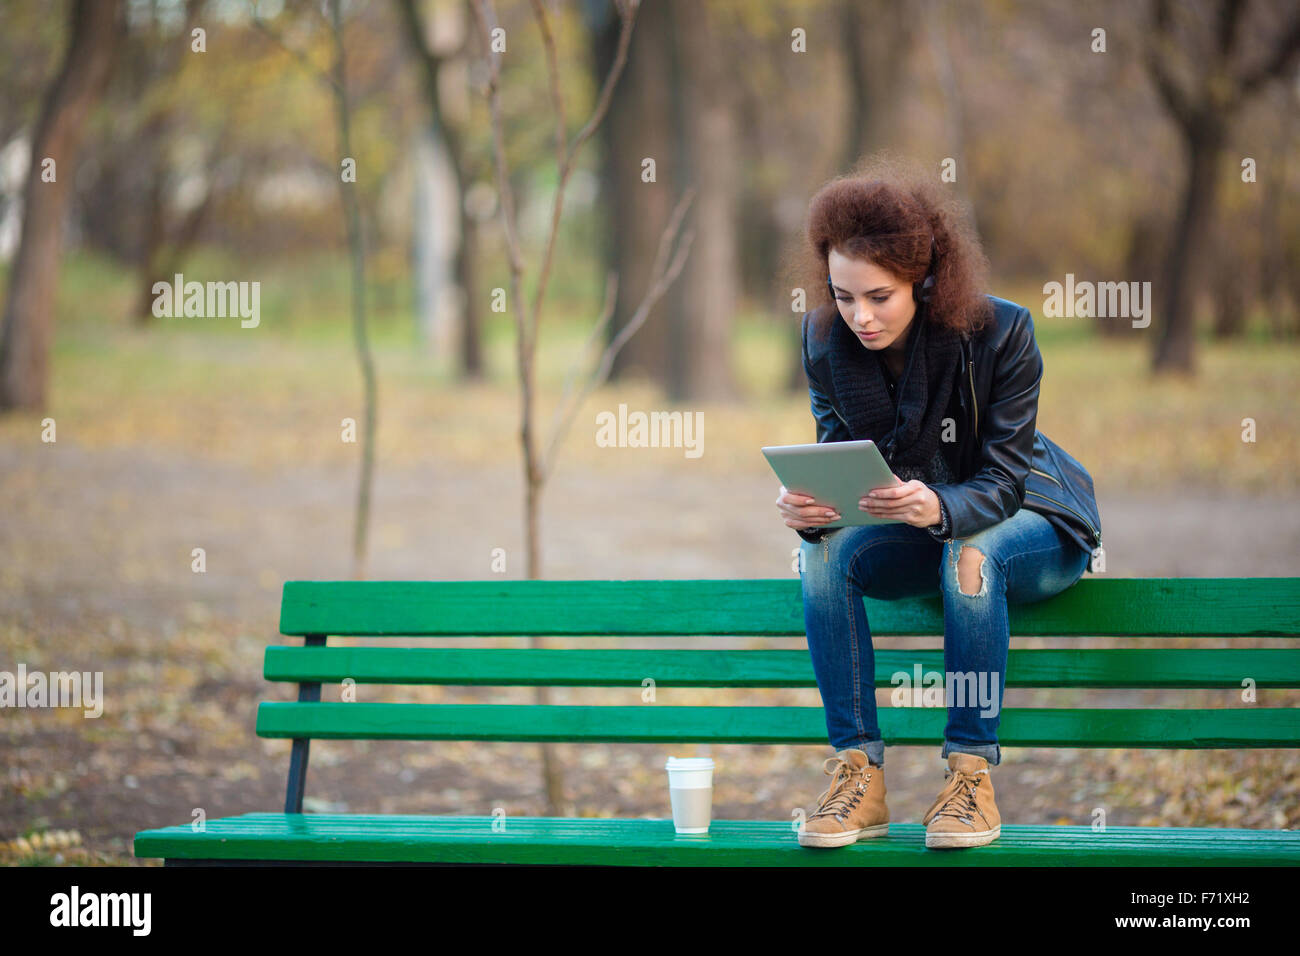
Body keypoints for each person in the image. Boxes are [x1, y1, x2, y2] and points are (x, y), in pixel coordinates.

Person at [775, 159, 1102, 850]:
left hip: (1033, 523)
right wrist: (814, 510)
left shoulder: (1000, 334)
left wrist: (938, 506)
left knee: (971, 550)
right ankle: (858, 774)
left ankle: (971, 777)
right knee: (823, 558)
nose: (860, 316)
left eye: (880, 297)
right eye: (844, 296)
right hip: (920, 526)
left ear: (924, 283)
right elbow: (841, 463)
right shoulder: (823, 340)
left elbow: (1005, 481)